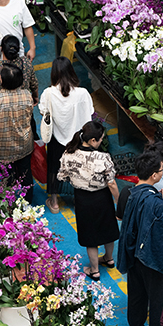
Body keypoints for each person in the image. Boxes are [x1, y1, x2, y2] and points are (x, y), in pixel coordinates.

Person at [117, 151, 163, 326]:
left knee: (136, 294)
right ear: (154, 175)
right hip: (151, 258)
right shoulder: (157, 202)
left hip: (132, 253)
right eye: (161, 170)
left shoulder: (129, 193)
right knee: (158, 298)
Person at [57, 121, 119, 281]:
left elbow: (62, 176)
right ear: (92, 140)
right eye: (100, 139)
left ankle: (94, 270)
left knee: (90, 236)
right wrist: (118, 201)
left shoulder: (68, 154)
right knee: (107, 229)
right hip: (102, 197)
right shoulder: (103, 157)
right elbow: (111, 183)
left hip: (82, 198)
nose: (101, 141)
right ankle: (109, 258)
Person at [39, 57, 94, 214]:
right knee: (78, 169)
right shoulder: (82, 93)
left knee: (54, 168)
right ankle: (77, 200)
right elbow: (90, 112)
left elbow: (43, 112)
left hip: (56, 139)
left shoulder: (48, 93)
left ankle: (54, 202)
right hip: (77, 140)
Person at [0, 64, 35, 201]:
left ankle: (9, 202)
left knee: (8, 177)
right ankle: (27, 201)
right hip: (24, 145)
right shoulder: (27, 95)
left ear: (3, 81)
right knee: (25, 174)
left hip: (3, 148)